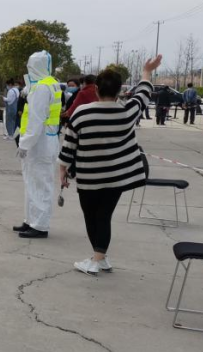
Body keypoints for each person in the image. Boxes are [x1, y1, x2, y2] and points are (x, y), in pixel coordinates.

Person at [59, 56, 162, 274]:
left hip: (89, 178)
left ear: (96, 89)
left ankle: (96, 260)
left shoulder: (82, 113)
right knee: (104, 215)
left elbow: (69, 145)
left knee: (91, 217)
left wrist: (63, 171)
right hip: (116, 178)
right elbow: (143, 94)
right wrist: (146, 72)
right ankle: (101, 258)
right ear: (119, 91)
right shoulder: (127, 111)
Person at [12, 52, 63, 239]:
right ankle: (30, 220)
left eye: (30, 65)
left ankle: (40, 226)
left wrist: (24, 143)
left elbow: (36, 119)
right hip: (43, 140)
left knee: (40, 184)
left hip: (39, 142)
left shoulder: (41, 87)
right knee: (32, 183)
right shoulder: (50, 83)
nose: (28, 68)